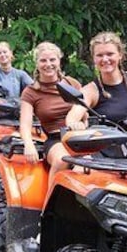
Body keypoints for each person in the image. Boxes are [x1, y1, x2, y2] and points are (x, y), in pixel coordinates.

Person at [20, 42, 82, 190]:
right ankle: (49, 208)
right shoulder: (30, 92)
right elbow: (25, 123)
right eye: (43, 60)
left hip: (80, 137)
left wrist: (81, 123)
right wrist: (28, 145)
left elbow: (84, 112)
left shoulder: (72, 83)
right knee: (62, 160)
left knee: (89, 165)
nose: (48, 64)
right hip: (55, 139)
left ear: (59, 61)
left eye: (52, 60)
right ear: (37, 63)